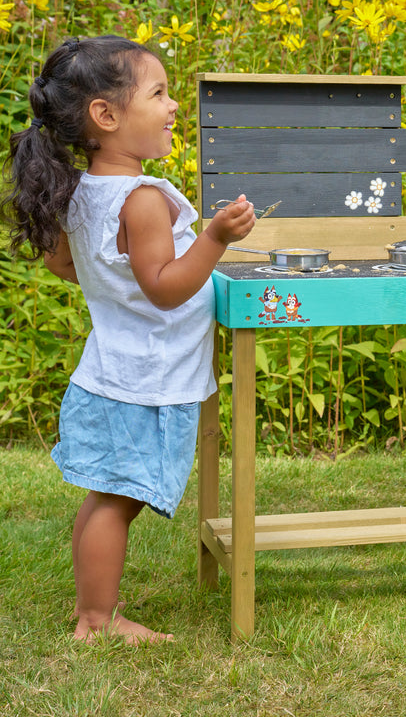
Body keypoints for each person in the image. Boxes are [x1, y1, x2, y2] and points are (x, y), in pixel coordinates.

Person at [1, 35, 256, 643]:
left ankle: (92, 609)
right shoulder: (142, 201)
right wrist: (215, 238)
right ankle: (97, 619)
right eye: (159, 93)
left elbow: (66, 265)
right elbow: (166, 288)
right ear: (106, 116)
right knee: (117, 502)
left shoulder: (83, 195)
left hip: (112, 374)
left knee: (107, 498)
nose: (173, 107)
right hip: (143, 382)